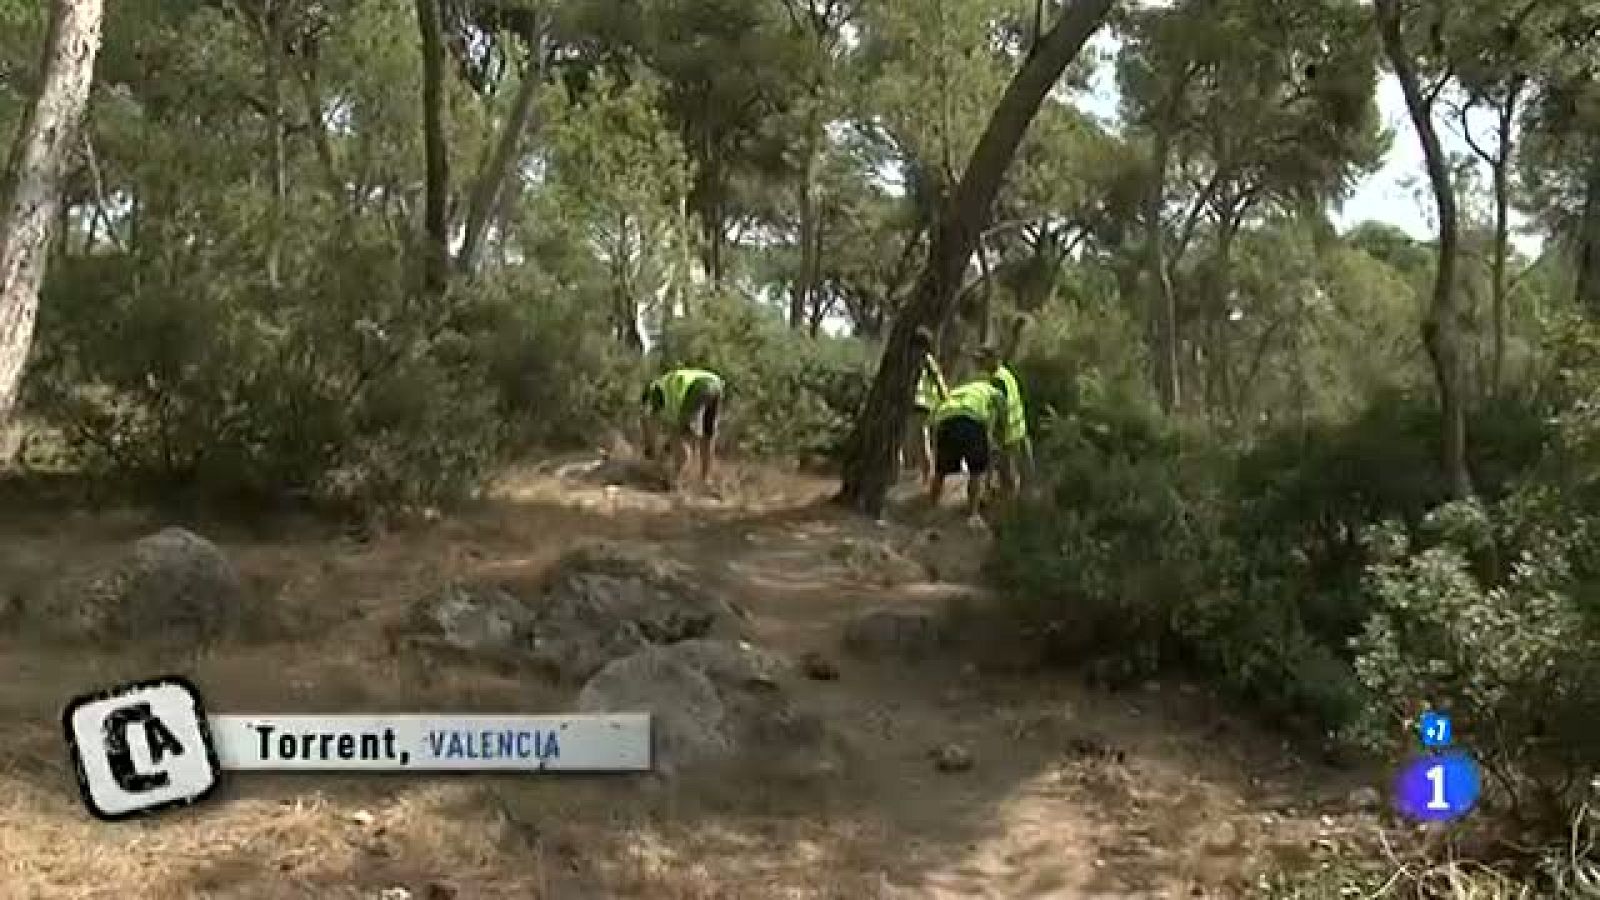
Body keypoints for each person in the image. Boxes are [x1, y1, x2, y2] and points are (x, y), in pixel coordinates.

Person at [927, 377, 1007, 523]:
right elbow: (1001, 418)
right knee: (977, 471)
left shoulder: (962, 389)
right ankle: (973, 514)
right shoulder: (994, 391)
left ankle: (931, 507)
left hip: (944, 420)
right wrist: (998, 441)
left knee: (941, 470)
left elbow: (935, 414)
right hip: (971, 421)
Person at [641, 367, 724, 488]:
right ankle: (705, 480)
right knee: (708, 434)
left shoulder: (656, 392)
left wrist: (651, 449)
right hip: (716, 384)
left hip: (696, 388)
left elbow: (649, 422)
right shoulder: (666, 384)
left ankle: (674, 480)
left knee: (680, 433)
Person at [976, 344, 1033, 499]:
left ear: (993, 359)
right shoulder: (1005, 373)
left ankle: (1009, 512)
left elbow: (1000, 411)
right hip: (1019, 430)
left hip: (1007, 435)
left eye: (982, 360)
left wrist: (993, 437)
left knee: (1008, 477)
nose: (979, 363)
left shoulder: (997, 380)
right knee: (1017, 475)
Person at [905, 327, 949, 484]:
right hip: (914, 404)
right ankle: (919, 475)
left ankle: (926, 476)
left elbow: (939, 380)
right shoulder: (913, 360)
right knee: (915, 441)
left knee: (921, 440)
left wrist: (946, 400)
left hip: (922, 405)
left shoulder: (927, 360)